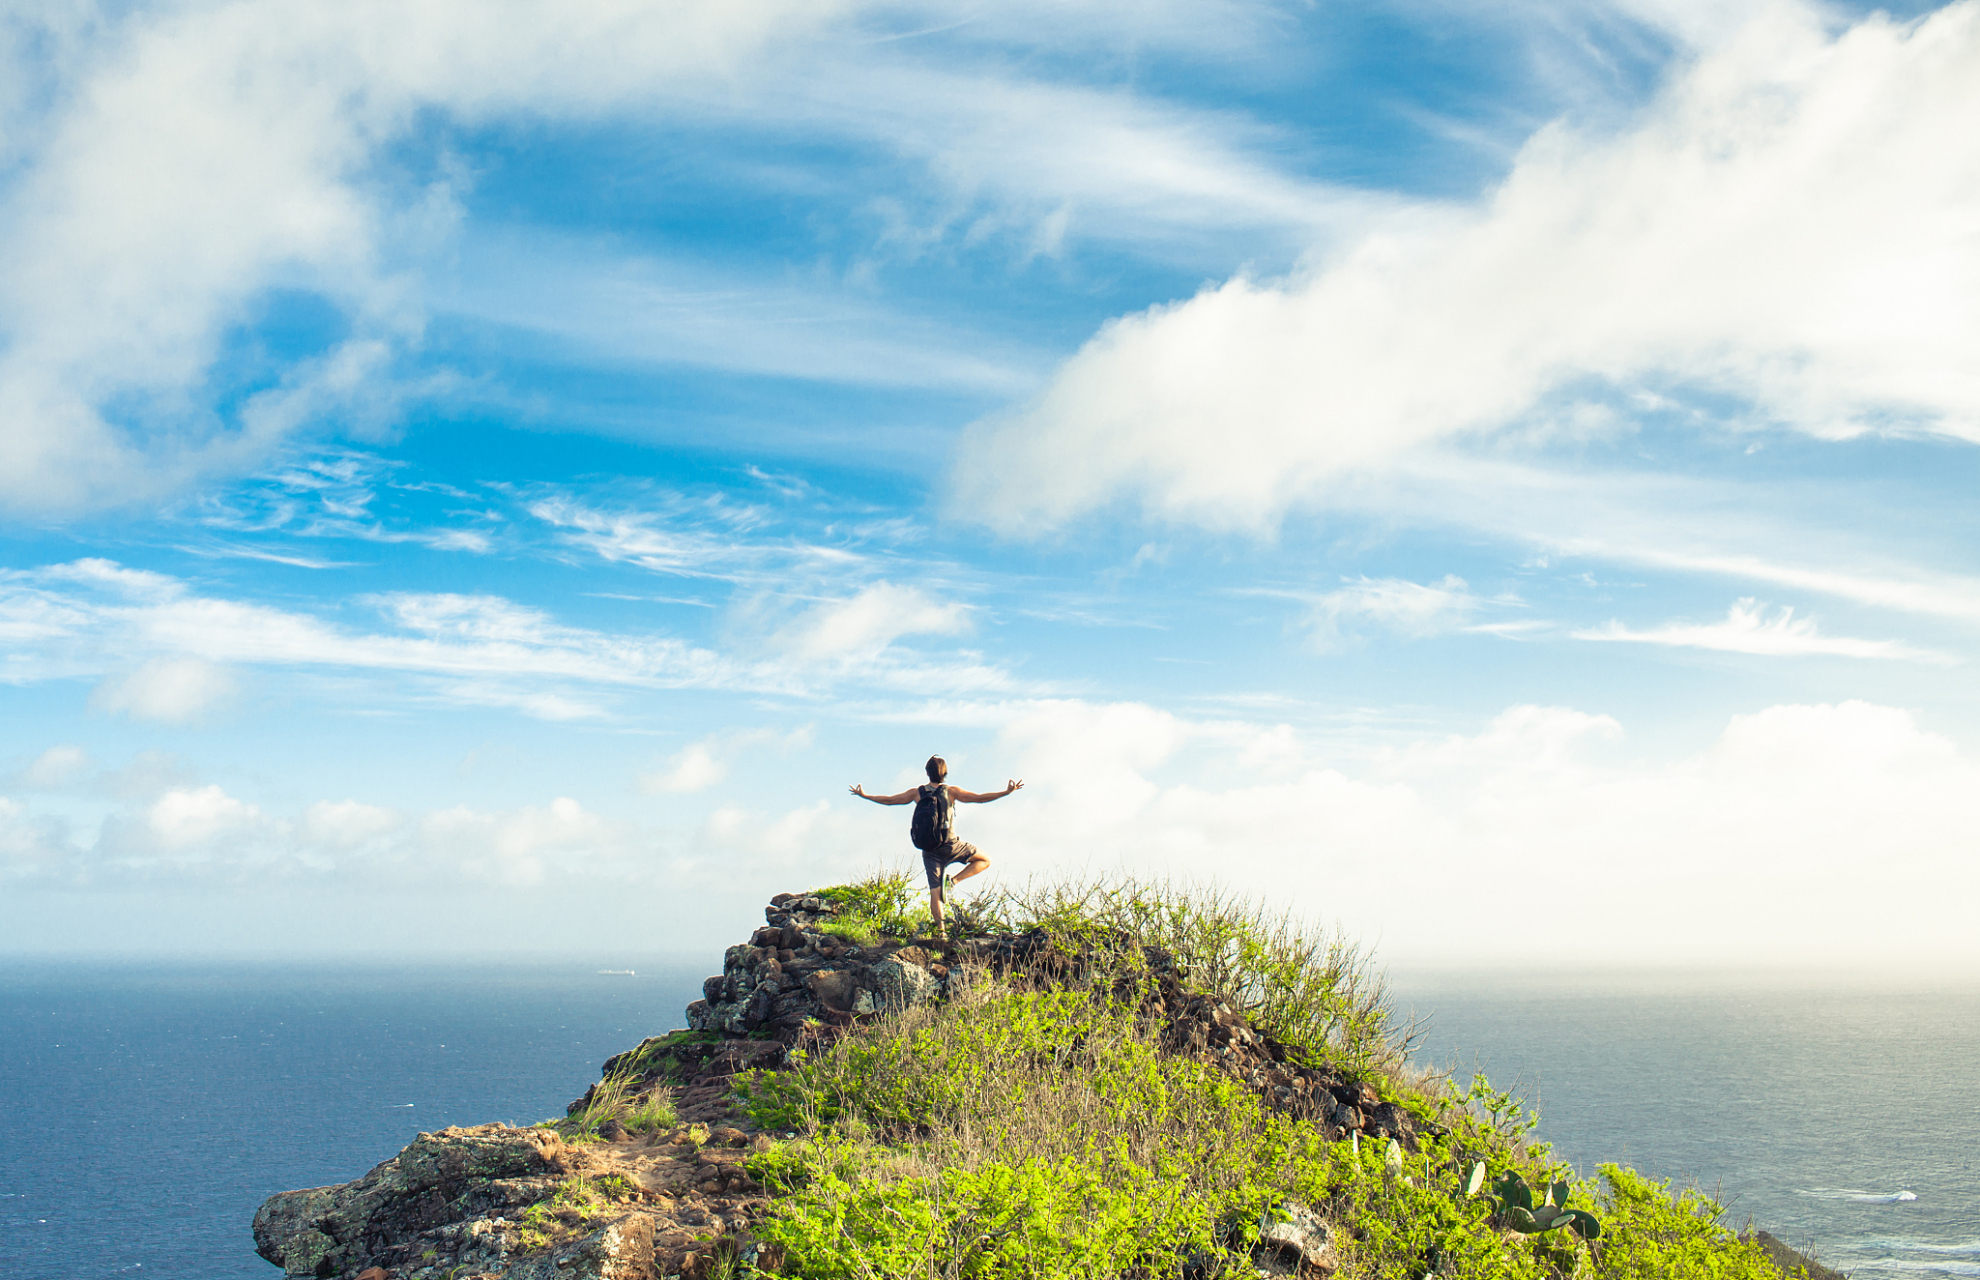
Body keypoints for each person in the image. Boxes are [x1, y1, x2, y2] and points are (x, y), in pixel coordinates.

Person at [850, 755, 1023, 935]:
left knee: (935, 891)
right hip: (952, 845)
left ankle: (941, 933)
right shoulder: (951, 791)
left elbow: (890, 800)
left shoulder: (917, 793)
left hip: (930, 850)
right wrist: (1006, 792)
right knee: (985, 860)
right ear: (945, 773)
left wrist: (865, 795)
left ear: (927, 772)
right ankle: (954, 881)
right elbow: (979, 798)